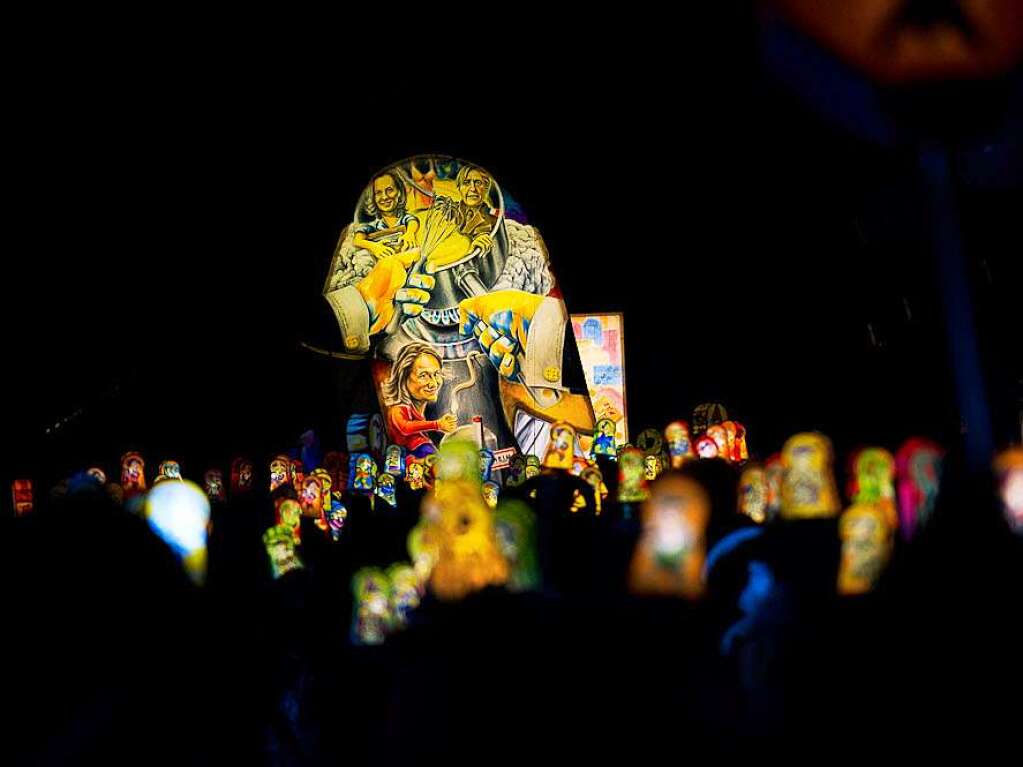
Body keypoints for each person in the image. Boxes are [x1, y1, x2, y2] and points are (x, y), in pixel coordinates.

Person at [381, 342, 457, 458]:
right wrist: (438, 424)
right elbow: (405, 428)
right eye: (423, 375)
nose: (433, 383)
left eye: (436, 374)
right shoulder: (398, 408)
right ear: (404, 378)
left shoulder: (418, 409)